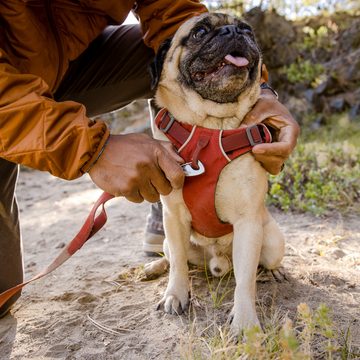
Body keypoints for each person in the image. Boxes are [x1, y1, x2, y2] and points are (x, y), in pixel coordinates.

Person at [0, 0, 300, 318]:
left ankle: (177, 193)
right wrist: (90, 148)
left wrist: (261, 93)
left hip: (72, 62)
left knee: (173, 56)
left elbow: (173, 13)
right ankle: (175, 204)